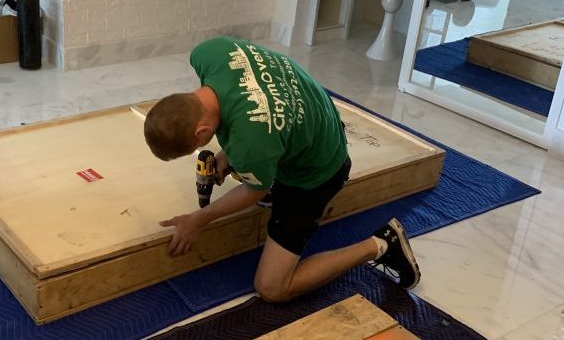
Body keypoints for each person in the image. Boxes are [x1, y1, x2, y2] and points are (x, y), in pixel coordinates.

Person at [143, 37, 420, 302]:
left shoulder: (252, 141)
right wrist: (227, 154)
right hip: (317, 116)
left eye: (198, 143)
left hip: (318, 169)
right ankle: (270, 171)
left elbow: (253, 191)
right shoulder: (210, 53)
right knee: (250, 153)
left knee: (272, 287)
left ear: (201, 131)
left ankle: (381, 244)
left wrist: (200, 218)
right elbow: (253, 96)